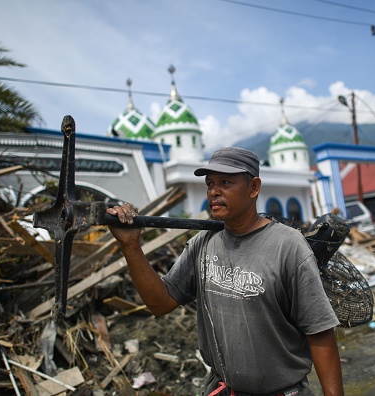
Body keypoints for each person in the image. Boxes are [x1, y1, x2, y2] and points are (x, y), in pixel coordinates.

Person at [107, 147, 344, 396]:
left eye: (225, 182)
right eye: (210, 184)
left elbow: (319, 332)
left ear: (253, 188)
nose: (214, 192)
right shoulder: (204, 243)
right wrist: (130, 245)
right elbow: (160, 303)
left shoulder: (287, 246)